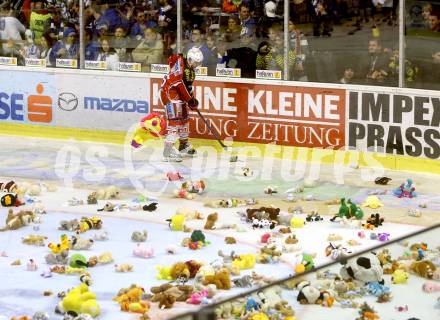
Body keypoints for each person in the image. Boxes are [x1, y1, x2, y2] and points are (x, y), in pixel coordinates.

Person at [159, 47, 203, 162]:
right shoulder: (181, 66)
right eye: (195, 62)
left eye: (199, 63)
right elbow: (180, 85)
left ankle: (183, 145)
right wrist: (189, 99)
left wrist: (192, 99)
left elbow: (188, 87)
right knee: (175, 122)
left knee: (184, 119)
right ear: (189, 59)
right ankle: (168, 151)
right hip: (169, 94)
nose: (197, 65)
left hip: (179, 94)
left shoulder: (190, 70)